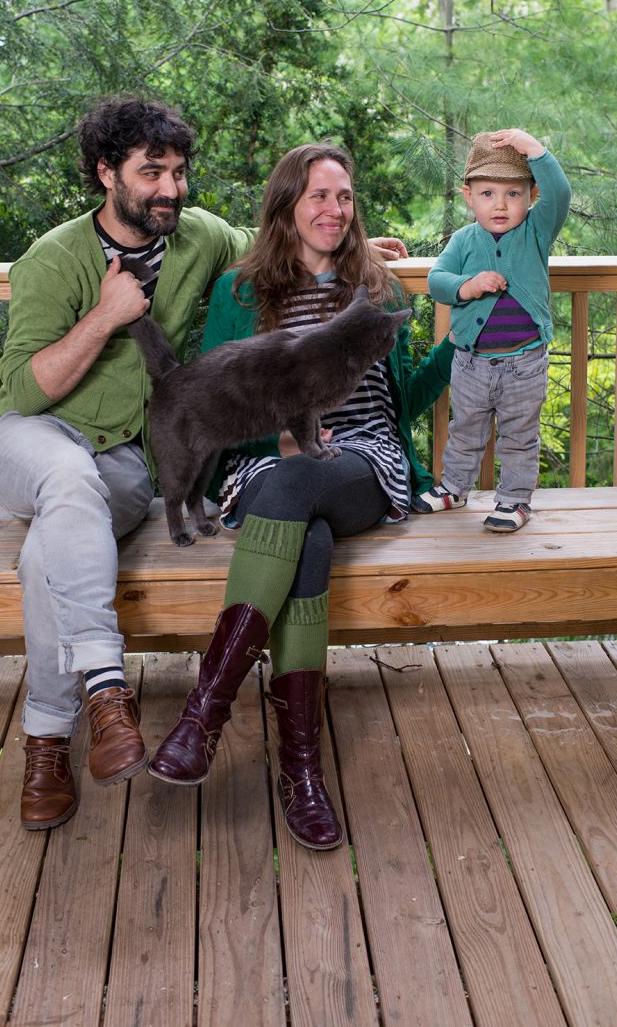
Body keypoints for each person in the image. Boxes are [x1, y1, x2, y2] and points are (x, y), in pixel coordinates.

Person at [0, 98, 408, 832]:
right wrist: (107, 313)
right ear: (105, 173)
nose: (171, 189)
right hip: (36, 436)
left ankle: (54, 735)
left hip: (126, 458)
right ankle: (107, 693)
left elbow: (285, 227)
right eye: (153, 173)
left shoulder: (198, 238)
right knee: (69, 483)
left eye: (178, 172)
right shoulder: (53, 259)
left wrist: (360, 239)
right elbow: (24, 389)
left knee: (50, 547)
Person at [147, 142, 455, 851]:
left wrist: (454, 348)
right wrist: (270, 445)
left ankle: (202, 717)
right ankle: (302, 772)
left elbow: (397, 401)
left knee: (298, 484)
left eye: (344, 196)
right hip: (263, 465)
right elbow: (213, 398)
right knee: (301, 529)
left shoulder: (377, 288)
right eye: (318, 195)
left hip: (362, 463)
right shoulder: (242, 293)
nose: (333, 209)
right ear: (286, 204)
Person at [426, 128, 571, 532]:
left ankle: (515, 501)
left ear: (531, 197)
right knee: (465, 428)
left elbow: (562, 194)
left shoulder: (535, 233)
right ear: (468, 196)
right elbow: (437, 280)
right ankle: (454, 488)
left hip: (525, 362)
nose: (501, 205)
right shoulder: (463, 240)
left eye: (513, 193)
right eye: (488, 193)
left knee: (519, 435)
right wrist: (466, 287)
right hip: (472, 363)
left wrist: (535, 149)